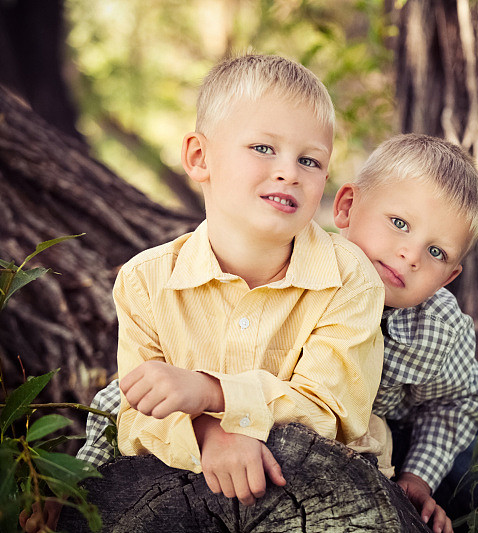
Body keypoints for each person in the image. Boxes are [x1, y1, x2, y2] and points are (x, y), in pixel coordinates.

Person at [24, 134, 478, 533]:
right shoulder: (291, 277)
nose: (409, 254)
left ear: (450, 277)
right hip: (306, 417)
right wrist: (68, 494)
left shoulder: (436, 325)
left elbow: (449, 408)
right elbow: (129, 395)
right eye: (399, 223)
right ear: (345, 208)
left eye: (436, 253)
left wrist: (420, 479)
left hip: (414, 423)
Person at [19, 54, 385, 533]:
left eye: (310, 160)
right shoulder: (145, 282)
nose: (289, 172)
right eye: (263, 148)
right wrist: (208, 432)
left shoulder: (349, 276)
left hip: (330, 503)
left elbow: (332, 412)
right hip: (179, 501)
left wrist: (211, 392)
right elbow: (133, 417)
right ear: (199, 158)